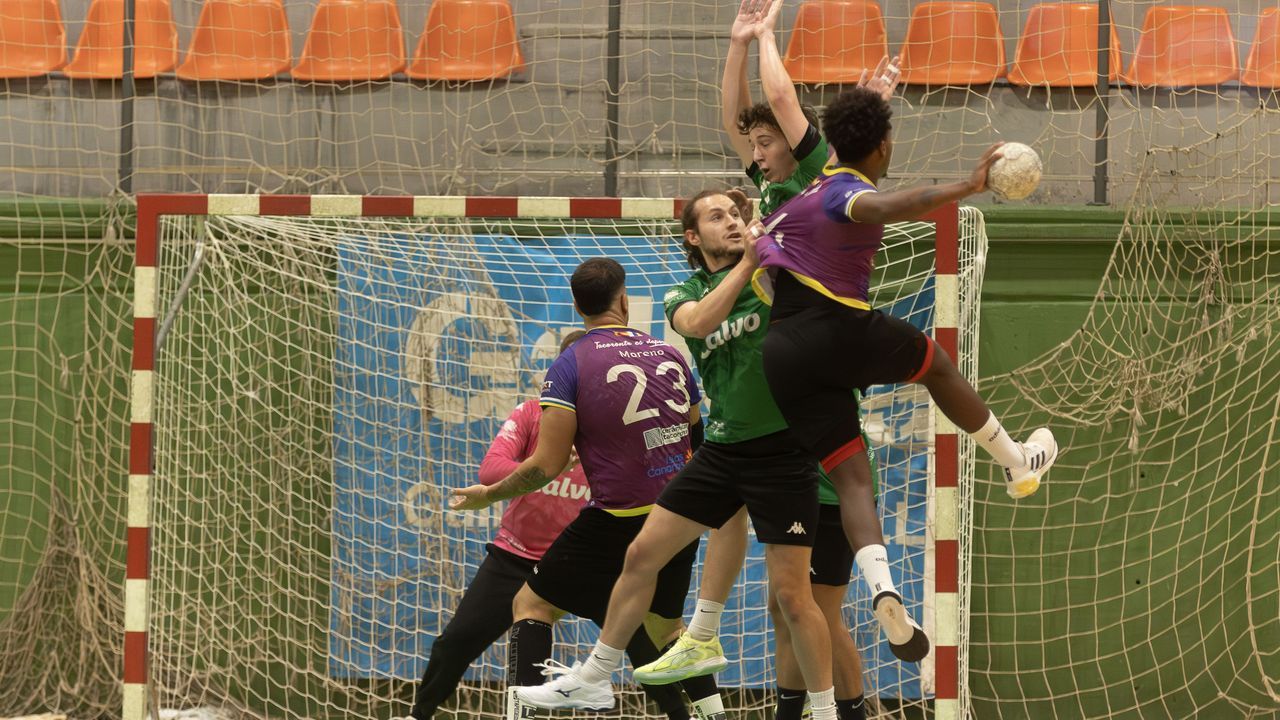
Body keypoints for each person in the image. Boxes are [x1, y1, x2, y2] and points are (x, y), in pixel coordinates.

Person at [508, 195, 845, 720]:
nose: (732, 222)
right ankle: (597, 678)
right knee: (641, 556)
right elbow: (699, 323)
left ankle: (822, 711)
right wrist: (751, 261)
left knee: (792, 598)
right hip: (725, 447)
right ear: (692, 237)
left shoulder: (777, 273)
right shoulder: (684, 293)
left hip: (782, 450)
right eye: (717, 217)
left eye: (737, 215)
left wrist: (770, 236)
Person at [752, 88, 1059, 609]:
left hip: (781, 353)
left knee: (850, 475)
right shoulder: (841, 192)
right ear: (884, 147)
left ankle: (883, 589)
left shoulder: (801, 195)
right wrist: (969, 184)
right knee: (936, 364)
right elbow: (898, 204)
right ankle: (1014, 462)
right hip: (832, 327)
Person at [449, 258, 727, 720]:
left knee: (531, 603)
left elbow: (545, 466)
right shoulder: (669, 353)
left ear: (578, 306)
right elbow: (696, 440)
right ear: (624, 301)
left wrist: (489, 493)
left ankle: (527, 711)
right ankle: (714, 716)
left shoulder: (570, 364)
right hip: (677, 516)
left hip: (618, 519)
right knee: (667, 629)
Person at [398, 331, 591, 720]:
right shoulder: (532, 413)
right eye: (573, 368)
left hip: (582, 559)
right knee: (454, 643)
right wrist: (546, 466)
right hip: (514, 557)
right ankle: (418, 715)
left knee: (649, 642)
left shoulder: (611, 431)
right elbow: (491, 470)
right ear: (560, 371)